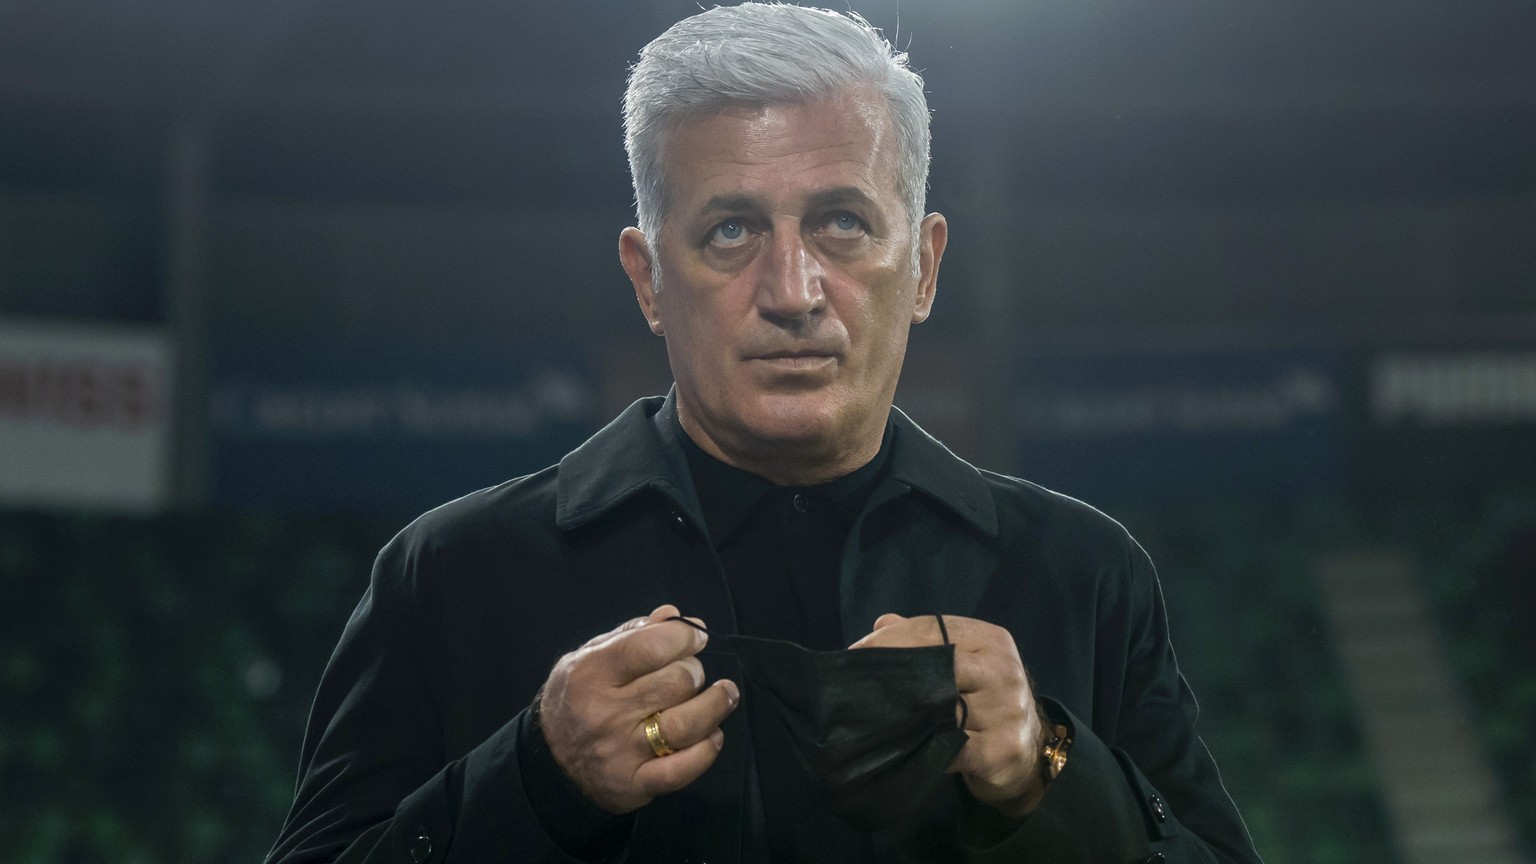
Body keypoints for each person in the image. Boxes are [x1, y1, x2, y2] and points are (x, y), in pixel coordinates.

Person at [266, 4, 1262, 863]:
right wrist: (536, 777)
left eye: (841, 223)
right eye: (730, 232)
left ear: (922, 266)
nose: (792, 294)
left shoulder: (1083, 576)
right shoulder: (452, 575)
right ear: (648, 278)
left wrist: (1048, 767)